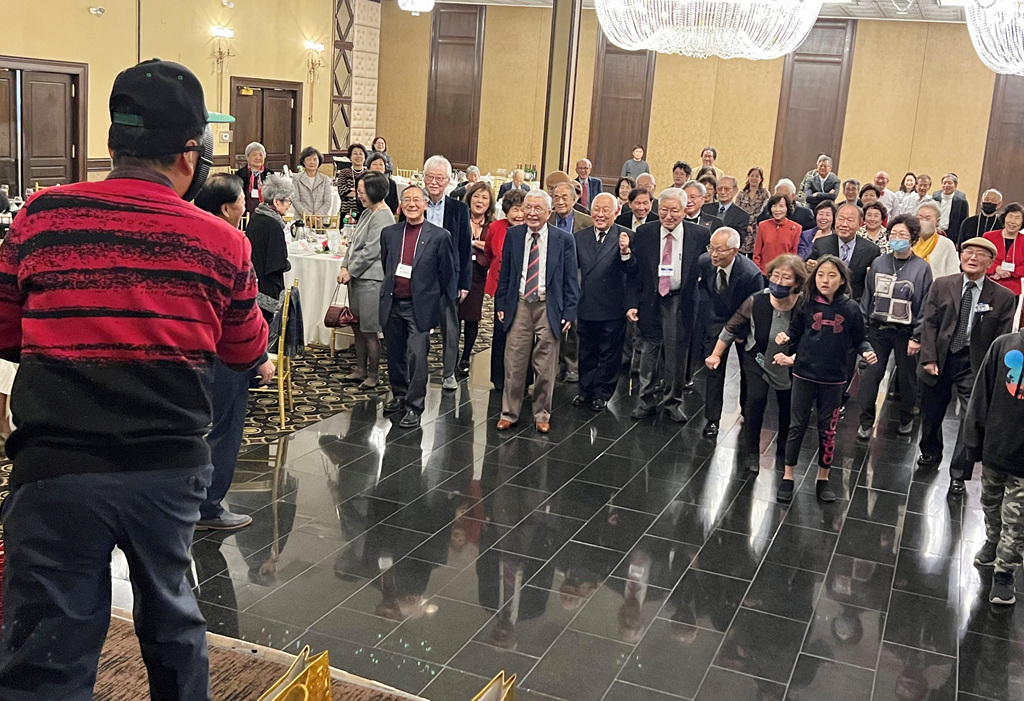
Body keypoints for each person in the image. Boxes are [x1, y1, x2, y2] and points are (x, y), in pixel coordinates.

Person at [0, 58, 269, 700]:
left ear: (113, 142)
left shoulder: (41, 215)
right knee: (174, 624)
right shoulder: (223, 242)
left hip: (55, 468)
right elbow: (245, 351)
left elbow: (6, 330)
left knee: (47, 651)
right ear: (190, 155)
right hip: (166, 471)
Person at [194, 173, 276, 531]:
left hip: (182, 352)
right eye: (243, 199)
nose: (247, 203)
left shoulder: (184, 233)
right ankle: (208, 507)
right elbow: (242, 311)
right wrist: (260, 357)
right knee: (225, 430)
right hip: (224, 354)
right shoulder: (232, 241)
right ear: (228, 208)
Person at [773, 255, 877, 503]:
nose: (825, 280)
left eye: (831, 275)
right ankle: (788, 476)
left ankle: (823, 478)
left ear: (841, 280)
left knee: (828, 430)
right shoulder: (806, 303)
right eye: (820, 275)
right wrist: (785, 338)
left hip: (834, 378)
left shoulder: (850, 308)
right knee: (796, 426)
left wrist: (867, 351)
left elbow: (860, 339)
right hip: (804, 373)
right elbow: (795, 331)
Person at [917, 237, 1016, 496]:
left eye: (980, 254)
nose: (972, 257)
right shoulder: (942, 285)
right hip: (941, 357)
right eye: (968, 252)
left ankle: (959, 474)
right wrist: (929, 358)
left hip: (974, 363)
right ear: (960, 256)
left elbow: (1002, 338)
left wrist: (991, 373)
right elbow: (929, 323)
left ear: (990, 262)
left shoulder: (1003, 297)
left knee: (970, 419)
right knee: (931, 411)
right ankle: (930, 452)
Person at [708, 254, 808, 472]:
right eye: (775, 276)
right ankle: (752, 452)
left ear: (797, 283)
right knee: (755, 400)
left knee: (788, 407)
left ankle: (784, 447)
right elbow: (731, 328)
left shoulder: (804, 306)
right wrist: (716, 354)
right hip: (758, 358)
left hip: (791, 363)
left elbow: (812, 339)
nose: (779, 282)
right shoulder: (756, 300)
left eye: (786, 278)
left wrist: (793, 359)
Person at [494, 190, 579, 433]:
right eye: (528, 208)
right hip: (519, 304)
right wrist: (501, 304)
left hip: (548, 306)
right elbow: (505, 273)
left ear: (549, 212)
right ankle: (509, 413)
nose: (531, 213)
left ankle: (542, 414)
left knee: (545, 366)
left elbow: (571, 279)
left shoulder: (563, 239)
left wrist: (569, 312)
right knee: (514, 363)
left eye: (538, 208)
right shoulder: (514, 235)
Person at [626, 187, 711, 422]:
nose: (669, 215)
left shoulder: (700, 235)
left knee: (676, 354)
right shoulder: (645, 232)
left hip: (680, 300)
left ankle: (673, 402)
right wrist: (632, 303)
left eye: (674, 210)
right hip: (651, 299)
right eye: (664, 210)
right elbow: (636, 272)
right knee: (648, 352)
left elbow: (708, 268)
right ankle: (645, 401)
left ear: (684, 211)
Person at [380, 185, 455, 428]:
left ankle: (414, 405)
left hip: (419, 306)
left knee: (417, 356)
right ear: (400, 205)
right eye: (407, 200)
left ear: (425, 205)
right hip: (393, 302)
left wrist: (431, 299)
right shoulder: (389, 233)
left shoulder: (439, 236)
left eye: (416, 200)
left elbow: (445, 274)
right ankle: (399, 395)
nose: (411, 204)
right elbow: (386, 263)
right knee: (395, 353)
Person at [855, 214, 933, 440]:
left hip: (906, 332)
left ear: (913, 238)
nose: (897, 238)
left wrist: (917, 337)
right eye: (893, 234)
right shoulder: (879, 262)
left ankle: (906, 416)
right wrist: (862, 331)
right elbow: (868, 297)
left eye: (903, 235)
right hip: (877, 330)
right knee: (870, 376)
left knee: (907, 380)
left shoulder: (922, 268)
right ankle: (865, 420)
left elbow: (925, 304)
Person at [963, 323, 1024, 605]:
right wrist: (973, 438)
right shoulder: (1004, 345)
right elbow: (981, 393)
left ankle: (1005, 572)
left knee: (1017, 518)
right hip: (996, 446)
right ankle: (993, 539)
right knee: (990, 501)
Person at [696, 227, 765, 437]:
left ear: (735, 251)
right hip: (717, 319)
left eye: (720, 250)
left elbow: (756, 306)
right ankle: (712, 419)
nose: (714, 254)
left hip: (744, 321)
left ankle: (746, 412)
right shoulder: (704, 262)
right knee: (714, 370)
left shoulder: (750, 273)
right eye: (711, 248)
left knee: (747, 370)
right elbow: (703, 289)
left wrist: (741, 333)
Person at [573, 193, 632, 411]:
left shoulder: (626, 236)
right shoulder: (580, 237)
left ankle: (602, 393)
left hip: (613, 305)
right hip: (586, 303)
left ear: (616, 212)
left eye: (606, 210)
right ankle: (585, 390)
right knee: (586, 351)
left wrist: (625, 253)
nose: (600, 214)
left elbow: (633, 271)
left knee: (609, 353)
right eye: (596, 209)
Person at [338, 171, 394, 389]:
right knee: (357, 327)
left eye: (362, 191)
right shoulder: (367, 213)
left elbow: (371, 251)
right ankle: (360, 368)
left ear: (373, 191)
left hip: (371, 281)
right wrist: (344, 266)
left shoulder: (383, 216)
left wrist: (350, 271)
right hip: (357, 278)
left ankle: (373, 374)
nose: (359, 195)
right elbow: (353, 244)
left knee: (370, 330)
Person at [421, 155, 472, 390]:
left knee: (450, 328)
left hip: (448, 276)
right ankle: (417, 371)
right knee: (418, 327)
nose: (434, 182)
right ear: (424, 178)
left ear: (448, 180)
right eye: (430, 177)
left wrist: (464, 283)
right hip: (420, 276)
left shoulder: (459, 209)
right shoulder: (415, 203)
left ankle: (449, 373)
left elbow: (464, 247)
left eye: (439, 178)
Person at [550, 181, 593, 383]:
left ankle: (572, 365)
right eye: (556, 197)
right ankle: (555, 363)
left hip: (577, 276)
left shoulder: (587, 222)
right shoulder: (547, 219)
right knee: (552, 322)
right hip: (551, 277)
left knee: (574, 322)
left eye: (564, 197)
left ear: (574, 200)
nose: (560, 201)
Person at [485, 188, 527, 389]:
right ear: (507, 211)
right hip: (501, 287)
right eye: (514, 210)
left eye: (522, 209)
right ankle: (499, 378)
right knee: (501, 332)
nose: (519, 215)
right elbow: (488, 253)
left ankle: (523, 378)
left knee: (524, 334)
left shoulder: (531, 229)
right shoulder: (495, 227)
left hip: (525, 288)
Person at [808, 203, 881, 302]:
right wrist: (810, 267)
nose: (844, 224)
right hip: (825, 302)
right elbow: (810, 270)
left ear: (860, 225)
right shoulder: (821, 244)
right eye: (841, 219)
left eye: (850, 220)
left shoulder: (871, 250)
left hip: (856, 303)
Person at [458, 181, 495, 374]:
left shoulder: (492, 225)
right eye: (476, 196)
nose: (479, 201)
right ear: (469, 198)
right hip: (458, 273)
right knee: (454, 317)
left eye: (484, 198)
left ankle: (466, 357)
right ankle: (452, 355)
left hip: (478, 275)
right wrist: (479, 244)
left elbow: (493, 249)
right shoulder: (460, 218)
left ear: (489, 203)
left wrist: (474, 244)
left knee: (472, 317)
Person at [246, 173, 294, 319]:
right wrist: (287, 264)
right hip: (267, 285)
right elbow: (277, 262)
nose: (289, 205)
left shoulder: (256, 216)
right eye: (288, 201)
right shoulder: (273, 225)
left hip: (253, 279)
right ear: (276, 201)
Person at [984, 201, 1024, 298]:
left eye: (1017, 218)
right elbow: (981, 258)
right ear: (1004, 217)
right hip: (988, 285)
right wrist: (996, 268)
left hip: (1012, 291)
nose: (1013, 221)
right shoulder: (989, 236)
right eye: (1010, 216)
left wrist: (1009, 272)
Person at [754, 195, 802, 274]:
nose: (777, 210)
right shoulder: (763, 226)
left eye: (781, 206)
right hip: (763, 272)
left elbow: (794, 255)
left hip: (784, 273)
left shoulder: (796, 228)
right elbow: (756, 253)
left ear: (787, 208)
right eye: (774, 206)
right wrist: (758, 271)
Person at [915, 202, 960, 277]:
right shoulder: (910, 242)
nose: (923, 221)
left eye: (928, 218)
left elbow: (954, 274)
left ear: (937, 221)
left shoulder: (946, 244)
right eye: (920, 218)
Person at [736, 166, 770, 255]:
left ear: (761, 179)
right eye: (752, 175)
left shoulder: (765, 194)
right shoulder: (742, 194)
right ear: (748, 177)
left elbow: (766, 212)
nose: (754, 178)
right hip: (743, 227)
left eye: (757, 176)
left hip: (758, 228)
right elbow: (737, 211)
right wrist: (746, 224)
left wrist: (754, 224)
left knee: (755, 254)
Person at [291, 146, 333, 218]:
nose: (312, 162)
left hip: (320, 220)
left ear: (319, 161)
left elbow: (327, 202)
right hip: (302, 219)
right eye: (309, 159)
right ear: (303, 161)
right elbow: (295, 200)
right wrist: (309, 217)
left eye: (315, 159)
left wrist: (316, 217)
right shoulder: (296, 179)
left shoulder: (325, 179)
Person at [235, 141, 273, 215]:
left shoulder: (270, 174)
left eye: (261, 155)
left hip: (266, 212)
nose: (258, 158)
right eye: (254, 155)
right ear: (247, 157)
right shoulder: (240, 174)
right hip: (245, 212)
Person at [932, 173, 969, 243]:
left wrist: (959, 241)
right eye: (944, 183)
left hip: (952, 236)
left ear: (955, 186)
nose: (946, 185)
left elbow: (964, 223)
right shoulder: (935, 198)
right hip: (935, 232)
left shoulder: (961, 202)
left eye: (950, 183)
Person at [335, 142, 367, 219]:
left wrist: (353, 191)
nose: (358, 156)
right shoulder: (344, 172)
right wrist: (362, 193)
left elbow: (370, 193)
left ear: (365, 157)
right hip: (347, 211)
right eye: (355, 154)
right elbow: (342, 191)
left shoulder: (368, 174)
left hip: (365, 211)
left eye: (361, 154)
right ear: (350, 157)